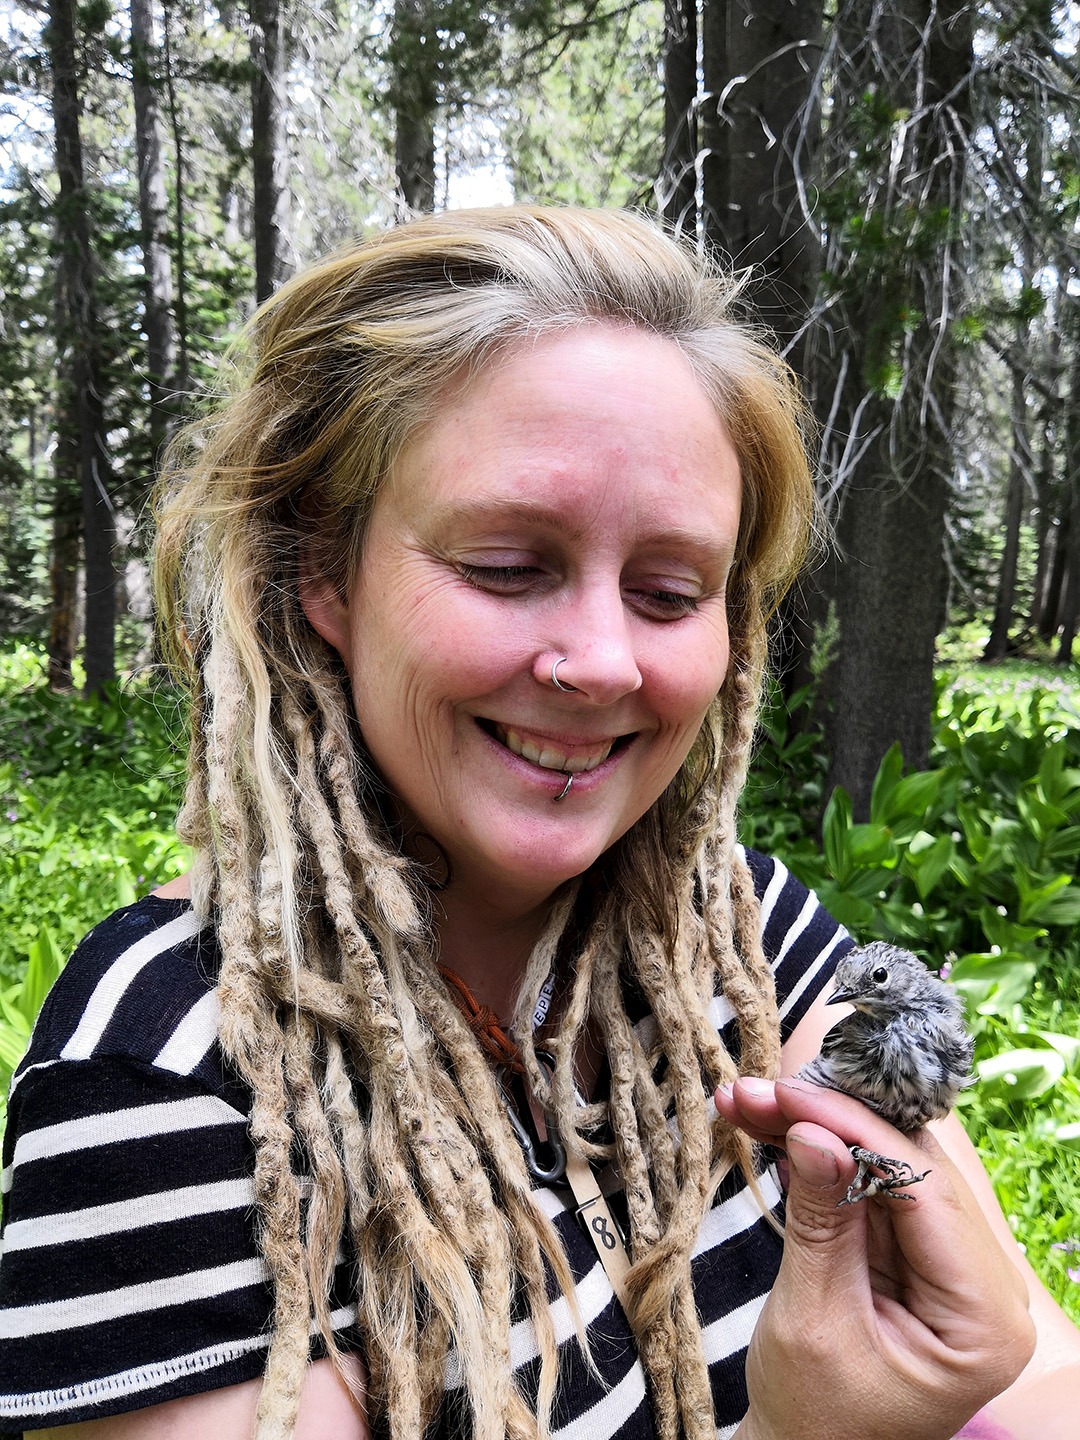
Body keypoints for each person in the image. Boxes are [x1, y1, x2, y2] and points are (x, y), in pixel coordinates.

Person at [0, 206, 1076, 1440]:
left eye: (672, 591)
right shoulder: (169, 1082)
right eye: (507, 567)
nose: (603, 662)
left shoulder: (747, 936)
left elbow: (1041, 1371)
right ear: (325, 574)